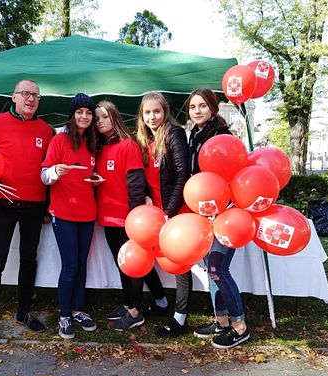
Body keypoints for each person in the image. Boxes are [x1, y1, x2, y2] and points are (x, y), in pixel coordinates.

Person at [0, 79, 54, 343]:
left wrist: (47, 206)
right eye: (25, 93)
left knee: (29, 260)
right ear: (14, 97)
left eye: (35, 95)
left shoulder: (46, 130)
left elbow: (50, 168)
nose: (30, 98)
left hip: (34, 205)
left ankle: (23, 313)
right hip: (2, 203)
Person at [185, 88, 250, 349]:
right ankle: (221, 322)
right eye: (192, 107)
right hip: (204, 213)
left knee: (218, 269)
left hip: (226, 213)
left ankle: (240, 326)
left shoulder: (223, 136)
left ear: (213, 108)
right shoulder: (195, 135)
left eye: (202, 106)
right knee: (211, 270)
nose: (197, 110)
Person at [41, 93, 99, 339]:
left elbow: (89, 177)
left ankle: (78, 309)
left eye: (88, 113)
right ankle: (64, 315)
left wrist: (95, 181)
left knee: (82, 264)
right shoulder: (60, 140)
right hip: (63, 213)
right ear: (72, 115)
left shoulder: (93, 142)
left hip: (87, 213)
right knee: (70, 265)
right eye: (80, 112)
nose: (84, 117)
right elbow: (44, 175)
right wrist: (55, 170)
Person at [134, 92, 191, 337]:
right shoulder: (146, 139)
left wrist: (169, 211)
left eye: (156, 111)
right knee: (144, 255)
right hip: (154, 211)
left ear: (165, 112)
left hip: (174, 210)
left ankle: (180, 318)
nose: (152, 117)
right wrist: (147, 196)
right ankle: (160, 302)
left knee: (179, 263)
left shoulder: (174, 135)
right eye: (147, 112)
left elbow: (182, 175)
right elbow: (146, 176)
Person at [95, 100, 150, 331]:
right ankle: (127, 304)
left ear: (114, 117)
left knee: (132, 265)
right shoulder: (100, 147)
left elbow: (136, 182)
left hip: (126, 218)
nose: (100, 122)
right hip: (107, 217)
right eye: (97, 118)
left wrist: (135, 216)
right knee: (121, 265)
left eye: (104, 117)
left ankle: (136, 311)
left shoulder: (128, 145)